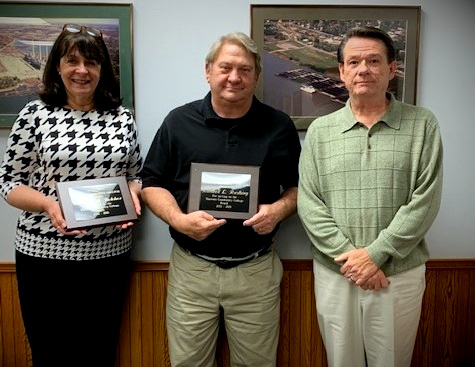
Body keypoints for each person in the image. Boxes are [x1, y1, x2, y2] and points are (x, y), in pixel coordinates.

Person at [140, 31, 301, 366]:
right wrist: (179, 220)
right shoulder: (178, 122)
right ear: (208, 70)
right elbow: (151, 183)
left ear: (256, 76)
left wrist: (279, 210)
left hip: (255, 270)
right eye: (226, 67)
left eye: (244, 69)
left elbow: (299, 188)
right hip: (191, 269)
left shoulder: (279, 126)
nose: (234, 77)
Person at [297, 26, 443, 367]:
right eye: (354, 62)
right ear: (342, 72)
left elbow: (426, 200)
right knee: (340, 360)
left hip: (397, 273)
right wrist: (354, 260)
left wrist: (376, 255)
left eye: (374, 60)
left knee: (392, 361)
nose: (364, 69)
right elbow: (309, 202)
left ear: (391, 70)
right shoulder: (320, 131)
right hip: (337, 271)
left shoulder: (422, 124)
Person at [0, 24, 142, 367]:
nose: (82, 70)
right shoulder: (34, 115)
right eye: (72, 61)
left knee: (100, 350)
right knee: (51, 352)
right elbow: (8, 183)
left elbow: (135, 175)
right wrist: (48, 204)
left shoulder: (121, 117)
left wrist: (132, 198)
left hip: (109, 254)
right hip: (44, 255)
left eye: (91, 62)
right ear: (58, 67)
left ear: (101, 69)